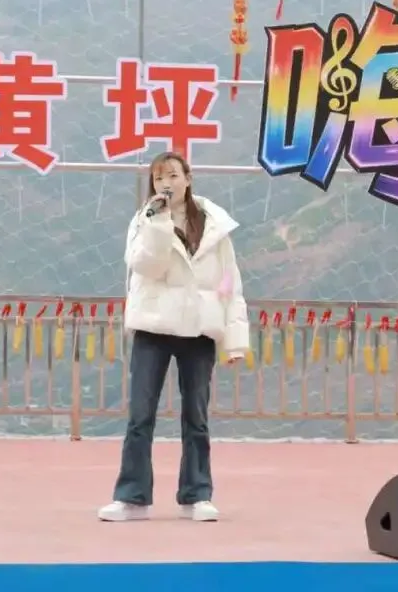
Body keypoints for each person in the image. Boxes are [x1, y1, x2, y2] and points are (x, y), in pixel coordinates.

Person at [98, 151, 249, 523]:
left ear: (188, 178)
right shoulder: (146, 218)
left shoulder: (213, 223)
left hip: (198, 326)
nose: (165, 184)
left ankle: (196, 495)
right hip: (154, 325)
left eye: (172, 176)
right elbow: (145, 266)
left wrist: (235, 340)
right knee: (140, 414)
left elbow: (229, 282)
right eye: (158, 177)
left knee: (196, 416)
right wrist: (159, 224)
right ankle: (132, 497)